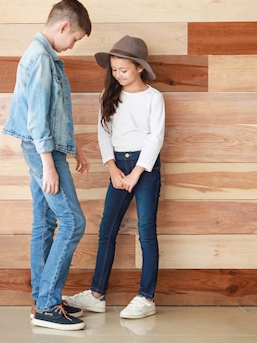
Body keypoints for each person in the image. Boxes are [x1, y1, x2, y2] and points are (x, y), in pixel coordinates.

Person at [3, 0, 92, 331]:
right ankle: (47, 304)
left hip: (46, 148)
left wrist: (74, 150)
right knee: (72, 222)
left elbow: (54, 115)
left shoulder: (42, 56)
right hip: (43, 151)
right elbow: (37, 118)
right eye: (75, 39)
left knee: (45, 221)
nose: (72, 46)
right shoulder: (40, 58)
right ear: (63, 27)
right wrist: (49, 165)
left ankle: (42, 297)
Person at [64, 35, 165, 320]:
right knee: (107, 229)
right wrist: (112, 168)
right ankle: (96, 294)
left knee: (147, 231)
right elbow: (103, 134)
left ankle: (146, 297)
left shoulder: (154, 98)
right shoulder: (108, 96)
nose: (118, 74)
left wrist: (135, 173)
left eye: (123, 69)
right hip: (117, 166)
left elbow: (155, 138)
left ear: (140, 68)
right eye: (114, 69)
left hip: (144, 168)